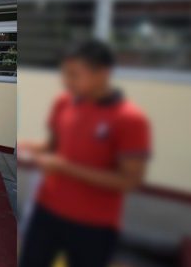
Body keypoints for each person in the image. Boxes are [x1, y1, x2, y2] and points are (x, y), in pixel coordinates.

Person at [18, 40, 150, 267]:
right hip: (47, 210)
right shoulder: (64, 103)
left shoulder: (130, 119)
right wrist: (29, 148)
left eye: (74, 75)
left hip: (94, 224)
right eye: (65, 74)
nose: (66, 82)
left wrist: (64, 167)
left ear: (103, 73)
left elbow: (129, 180)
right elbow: (54, 146)